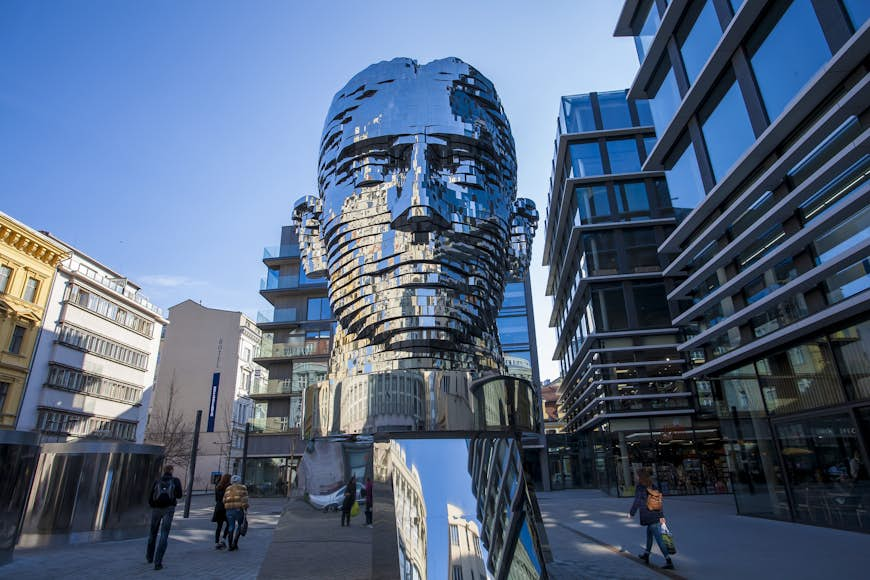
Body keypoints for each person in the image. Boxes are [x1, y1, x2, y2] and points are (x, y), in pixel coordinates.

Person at [629, 468, 674, 570]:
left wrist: (631, 513)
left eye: (636, 475)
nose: (635, 477)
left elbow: (636, 501)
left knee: (659, 539)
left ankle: (668, 560)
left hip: (648, 515)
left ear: (640, 476)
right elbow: (659, 501)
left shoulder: (640, 487)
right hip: (655, 514)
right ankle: (646, 554)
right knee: (649, 535)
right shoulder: (652, 485)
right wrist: (661, 516)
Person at [146, 464, 183, 571]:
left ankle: (149, 556)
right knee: (164, 534)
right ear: (171, 470)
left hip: (156, 509)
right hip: (169, 509)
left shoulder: (157, 480)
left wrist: (154, 505)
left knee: (152, 533)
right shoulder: (175, 480)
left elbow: (150, 497)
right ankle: (158, 562)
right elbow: (179, 495)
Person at [223, 475, 249, 551]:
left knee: (231, 526)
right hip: (238, 510)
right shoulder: (243, 488)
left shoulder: (228, 488)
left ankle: (230, 546)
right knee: (240, 525)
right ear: (239, 480)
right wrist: (245, 509)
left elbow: (224, 500)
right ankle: (235, 543)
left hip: (229, 510)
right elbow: (245, 500)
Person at [211, 474, 231, 549]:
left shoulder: (218, 486)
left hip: (219, 507)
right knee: (229, 524)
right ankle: (223, 539)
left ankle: (216, 542)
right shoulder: (229, 487)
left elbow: (216, 498)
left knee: (219, 526)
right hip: (226, 507)